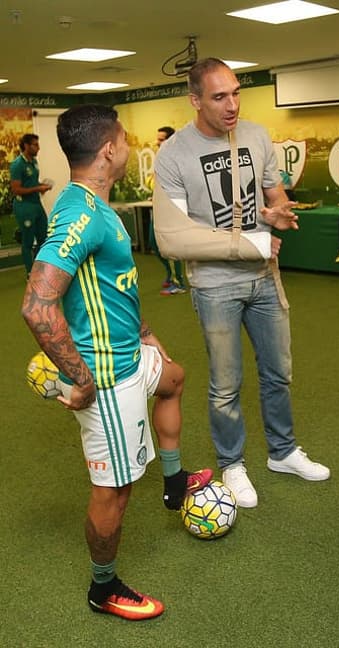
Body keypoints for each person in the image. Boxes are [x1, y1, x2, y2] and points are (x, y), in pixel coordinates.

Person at [21, 104, 213, 621]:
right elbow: (37, 305)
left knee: (173, 379)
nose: (129, 147)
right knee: (115, 490)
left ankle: (174, 485)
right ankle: (103, 588)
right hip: (106, 378)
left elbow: (111, 284)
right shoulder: (80, 214)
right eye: (125, 139)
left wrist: (145, 330)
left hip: (132, 354)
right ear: (109, 148)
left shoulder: (95, 205)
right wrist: (81, 381)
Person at [154, 58, 330, 509]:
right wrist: (248, 242)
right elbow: (172, 239)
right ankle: (232, 463)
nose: (232, 104)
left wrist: (277, 214)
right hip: (215, 285)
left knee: (278, 373)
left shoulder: (254, 135)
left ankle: (283, 451)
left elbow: (275, 198)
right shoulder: (173, 155)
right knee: (226, 384)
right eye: (219, 97)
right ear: (195, 100)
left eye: (236, 93)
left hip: (264, 280)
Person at [148, 126, 187, 295]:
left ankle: (179, 283)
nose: (158, 142)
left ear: (170, 141)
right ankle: (171, 274)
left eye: (162, 139)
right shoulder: (160, 157)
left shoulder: (176, 159)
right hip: (157, 207)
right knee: (154, 244)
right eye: (158, 139)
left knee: (169, 247)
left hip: (170, 210)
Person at [9, 133, 52, 277]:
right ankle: (30, 273)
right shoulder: (17, 165)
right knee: (27, 241)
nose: (38, 148)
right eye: (35, 145)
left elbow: (32, 183)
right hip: (24, 207)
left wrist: (42, 186)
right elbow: (16, 190)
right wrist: (37, 189)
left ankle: (41, 269)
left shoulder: (34, 162)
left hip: (36, 205)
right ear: (26, 146)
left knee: (43, 238)